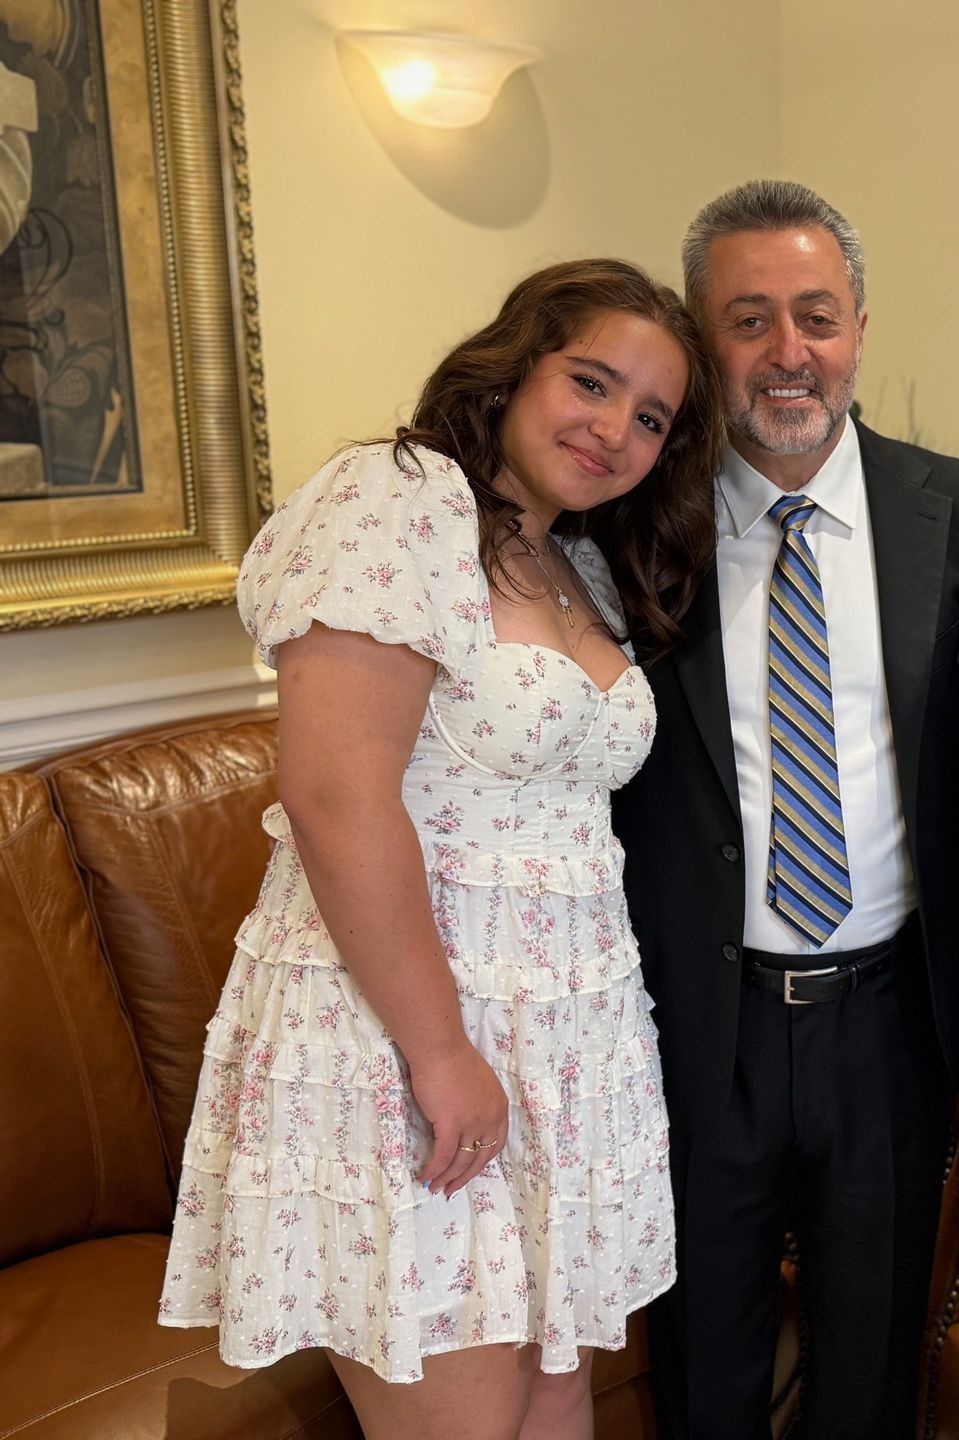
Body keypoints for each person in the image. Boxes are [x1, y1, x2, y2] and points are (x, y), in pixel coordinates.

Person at [158, 260, 724, 1440]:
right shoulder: (396, 495)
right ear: (516, 364)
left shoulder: (570, 559)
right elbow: (333, 797)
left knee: (555, 1393)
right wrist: (440, 1052)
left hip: (561, 1043)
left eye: (652, 417)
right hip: (416, 1031)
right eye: (592, 381)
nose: (615, 428)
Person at [611, 180, 959, 1438]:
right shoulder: (632, 525)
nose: (789, 354)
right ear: (698, 341)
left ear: (860, 327)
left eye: (816, 316)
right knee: (707, 1371)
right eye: (748, 321)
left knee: (870, 1373)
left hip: (890, 1029)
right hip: (699, 1027)